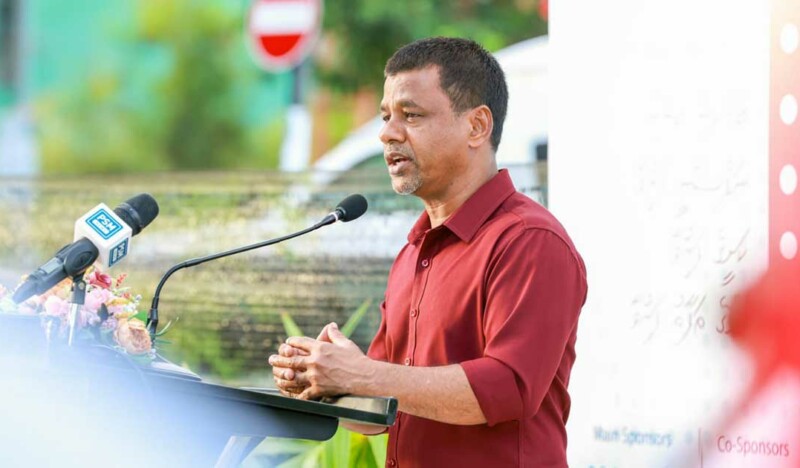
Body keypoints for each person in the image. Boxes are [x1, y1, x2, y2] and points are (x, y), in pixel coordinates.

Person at [269, 37, 587, 467]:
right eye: (386, 116)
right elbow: (382, 411)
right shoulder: (414, 251)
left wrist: (361, 374)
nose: (387, 133)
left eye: (411, 115)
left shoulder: (529, 240)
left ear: (477, 126)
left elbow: (507, 388)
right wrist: (323, 384)